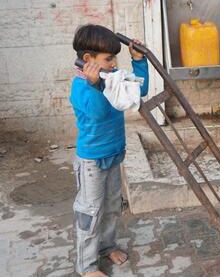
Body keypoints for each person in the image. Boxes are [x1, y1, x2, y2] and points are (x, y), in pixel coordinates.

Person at [70, 24, 149, 277]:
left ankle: (107, 247)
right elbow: (99, 111)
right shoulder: (81, 87)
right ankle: (87, 266)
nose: (114, 63)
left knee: (113, 206)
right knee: (90, 212)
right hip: (92, 161)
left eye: (114, 57)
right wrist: (96, 87)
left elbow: (138, 91)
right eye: (108, 58)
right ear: (88, 60)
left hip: (115, 153)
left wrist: (138, 61)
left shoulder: (110, 79)